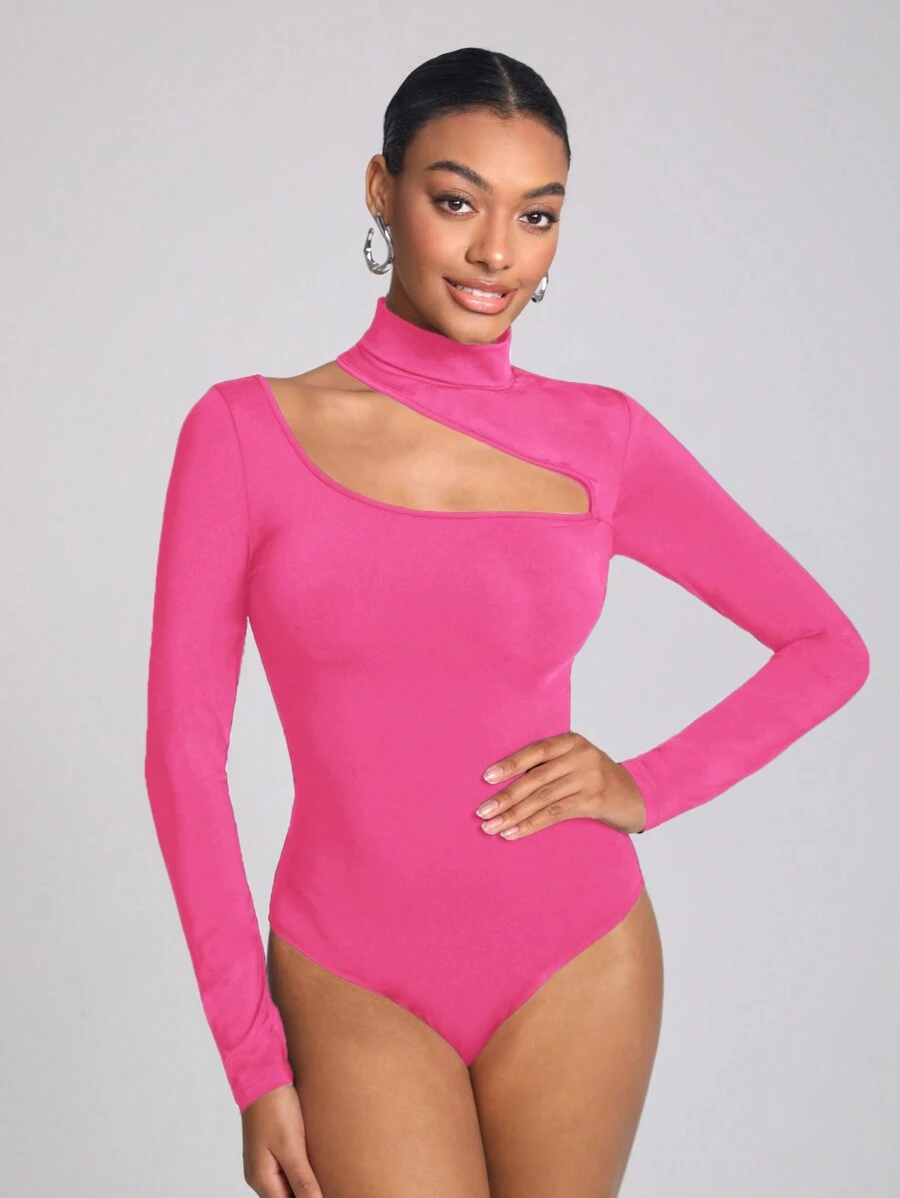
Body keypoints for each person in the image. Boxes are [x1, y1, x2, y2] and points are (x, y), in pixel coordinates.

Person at [143, 46, 870, 1198]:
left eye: (537, 215)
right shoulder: (243, 434)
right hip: (350, 970)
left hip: (577, 954)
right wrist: (252, 1058)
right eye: (456, 201)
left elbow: (829, 647)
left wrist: (645, 784)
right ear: (381, 190)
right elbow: (184, 761)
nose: (496, 253)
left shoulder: (604, 437)